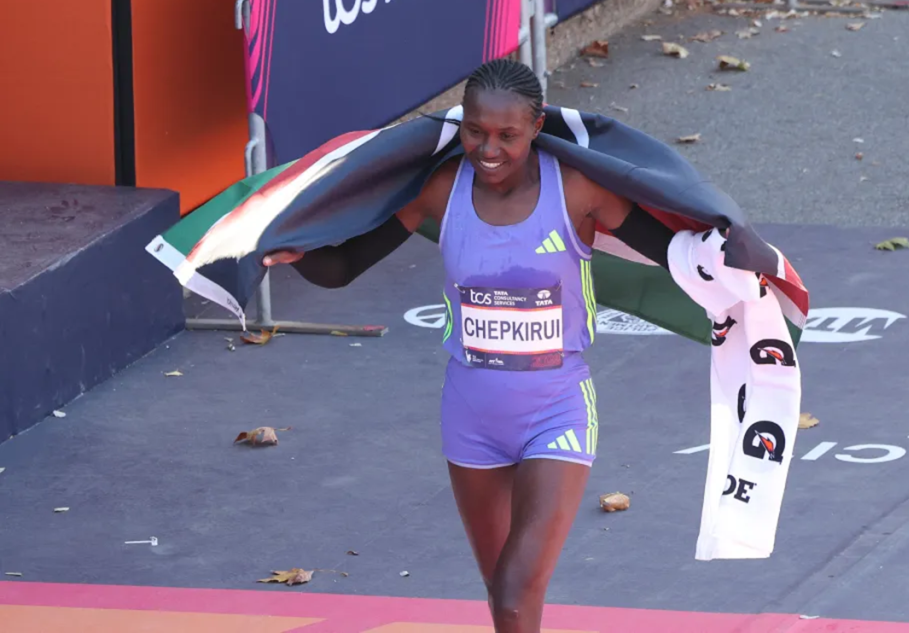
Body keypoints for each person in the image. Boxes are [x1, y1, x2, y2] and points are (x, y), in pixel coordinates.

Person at [263, 58, 675, 632]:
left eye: (508, 135)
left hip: (555, 411)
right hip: (470, 417)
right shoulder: (440, 188)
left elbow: (676, 253)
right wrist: (293, 251)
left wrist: (741, 274)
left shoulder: (576, 189)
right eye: (475, 132)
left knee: (512, 591)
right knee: (503, 596)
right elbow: (344, 267)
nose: (489, 148)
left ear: (536, 127)